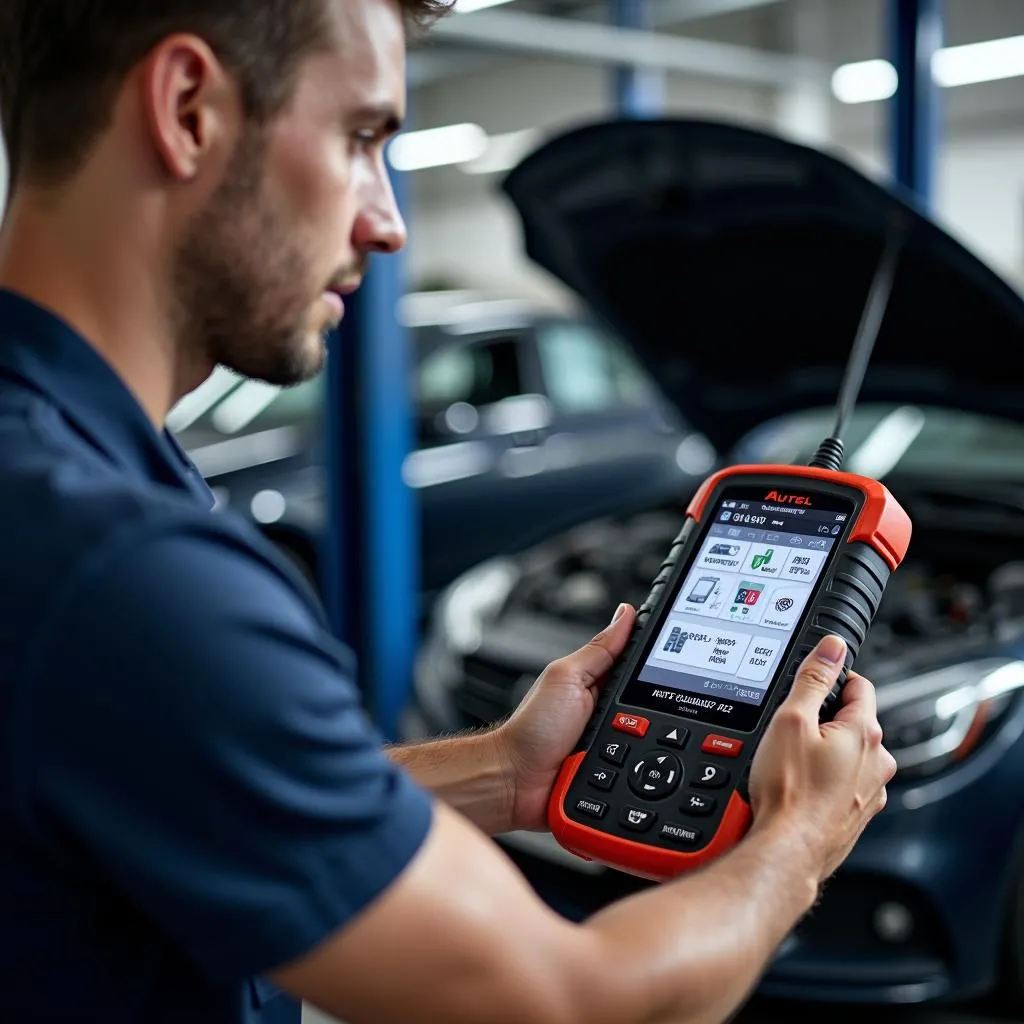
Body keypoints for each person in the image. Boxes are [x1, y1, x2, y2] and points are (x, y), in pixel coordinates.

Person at [0, 1, 897, 1022]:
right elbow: (566, 999)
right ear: (188, 108)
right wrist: (797, 840)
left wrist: (506, 769)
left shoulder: (70, 480)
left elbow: (178, 784)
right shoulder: (123, 569)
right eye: (361, 138)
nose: (387, 223)